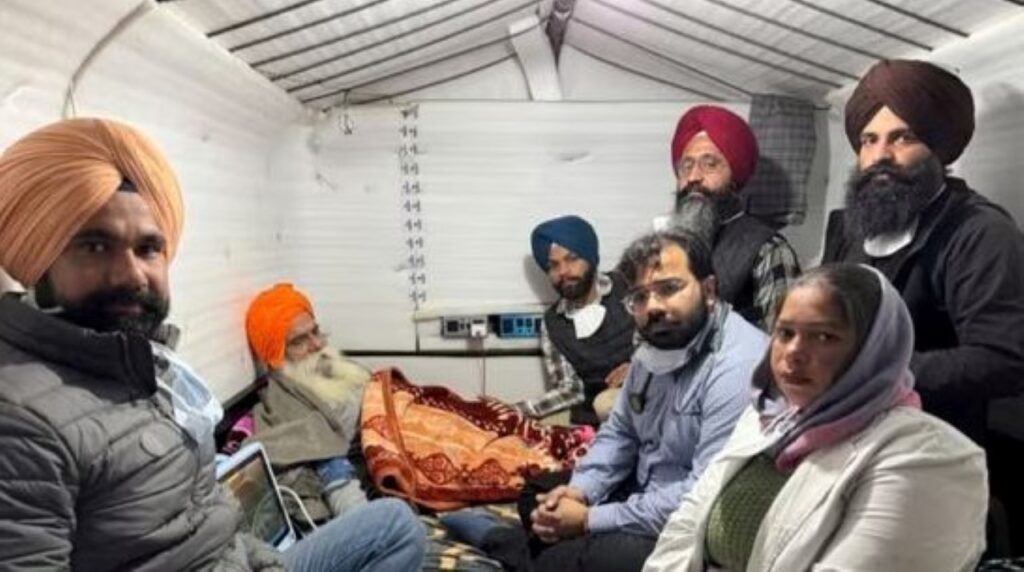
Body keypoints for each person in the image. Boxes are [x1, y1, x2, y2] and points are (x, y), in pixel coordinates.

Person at [0, 118, 424, 571]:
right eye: (94, 246)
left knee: (396, 526)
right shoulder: (21, 418)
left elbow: (214, 526)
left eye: (148, 249)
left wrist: (267, 563)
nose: (131, 274)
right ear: (40, 262)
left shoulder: (151, 369)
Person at [643, 264, 988, 572]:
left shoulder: (928, 459)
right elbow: (687, 523)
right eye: (785, 333)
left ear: (873, 350)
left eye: (824, 337)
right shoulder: (769, 416)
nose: (793, 353)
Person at [518, 231, 767, 572]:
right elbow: (620, 433)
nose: (652, 307)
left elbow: (702, 492)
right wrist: (579, 493)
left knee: (609, 557)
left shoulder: (738, 364)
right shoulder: (653, 347)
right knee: (538, 492)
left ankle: (518, 550)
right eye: (639, 296)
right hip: (641, 485)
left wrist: (590, 519)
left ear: (708, 291)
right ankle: (546, 552)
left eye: (669, 288)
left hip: (684, 515)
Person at [244, 283, 593, 513]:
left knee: (486, 418)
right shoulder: (287, 402)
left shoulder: (334, 366)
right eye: (300, 341)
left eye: (315, 331)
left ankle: (565, 448)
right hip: (407, 453)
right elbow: (326, 455)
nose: (317, 344)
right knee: (503, 460)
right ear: (277, 354)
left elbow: (395, 399)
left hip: (422, 422)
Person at [821, 59, 1024, 446]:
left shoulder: (979, 233)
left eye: (903, 137)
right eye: (869, 139)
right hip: (841, 428)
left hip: (930, 447)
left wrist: (874, 370)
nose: (880, 155)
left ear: (938, 149)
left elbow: (1003, 359)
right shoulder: (847, 227)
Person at [665, 105, 801, 330]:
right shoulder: (667, 248)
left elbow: (783, 346)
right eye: (686, 166)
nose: (693, 177)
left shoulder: (769, 250)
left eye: (710, 164)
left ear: (735, 176)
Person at [523, 215, 635, 425]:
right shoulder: (552, 325)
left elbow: (669, 343)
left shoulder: (628, 285)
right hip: (595, 424)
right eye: (553, 265)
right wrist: (515, 411)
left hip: (652, 403)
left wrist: (639, 367)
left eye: (572, 259)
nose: (563, 271)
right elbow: (570, 390)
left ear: (590, 258)